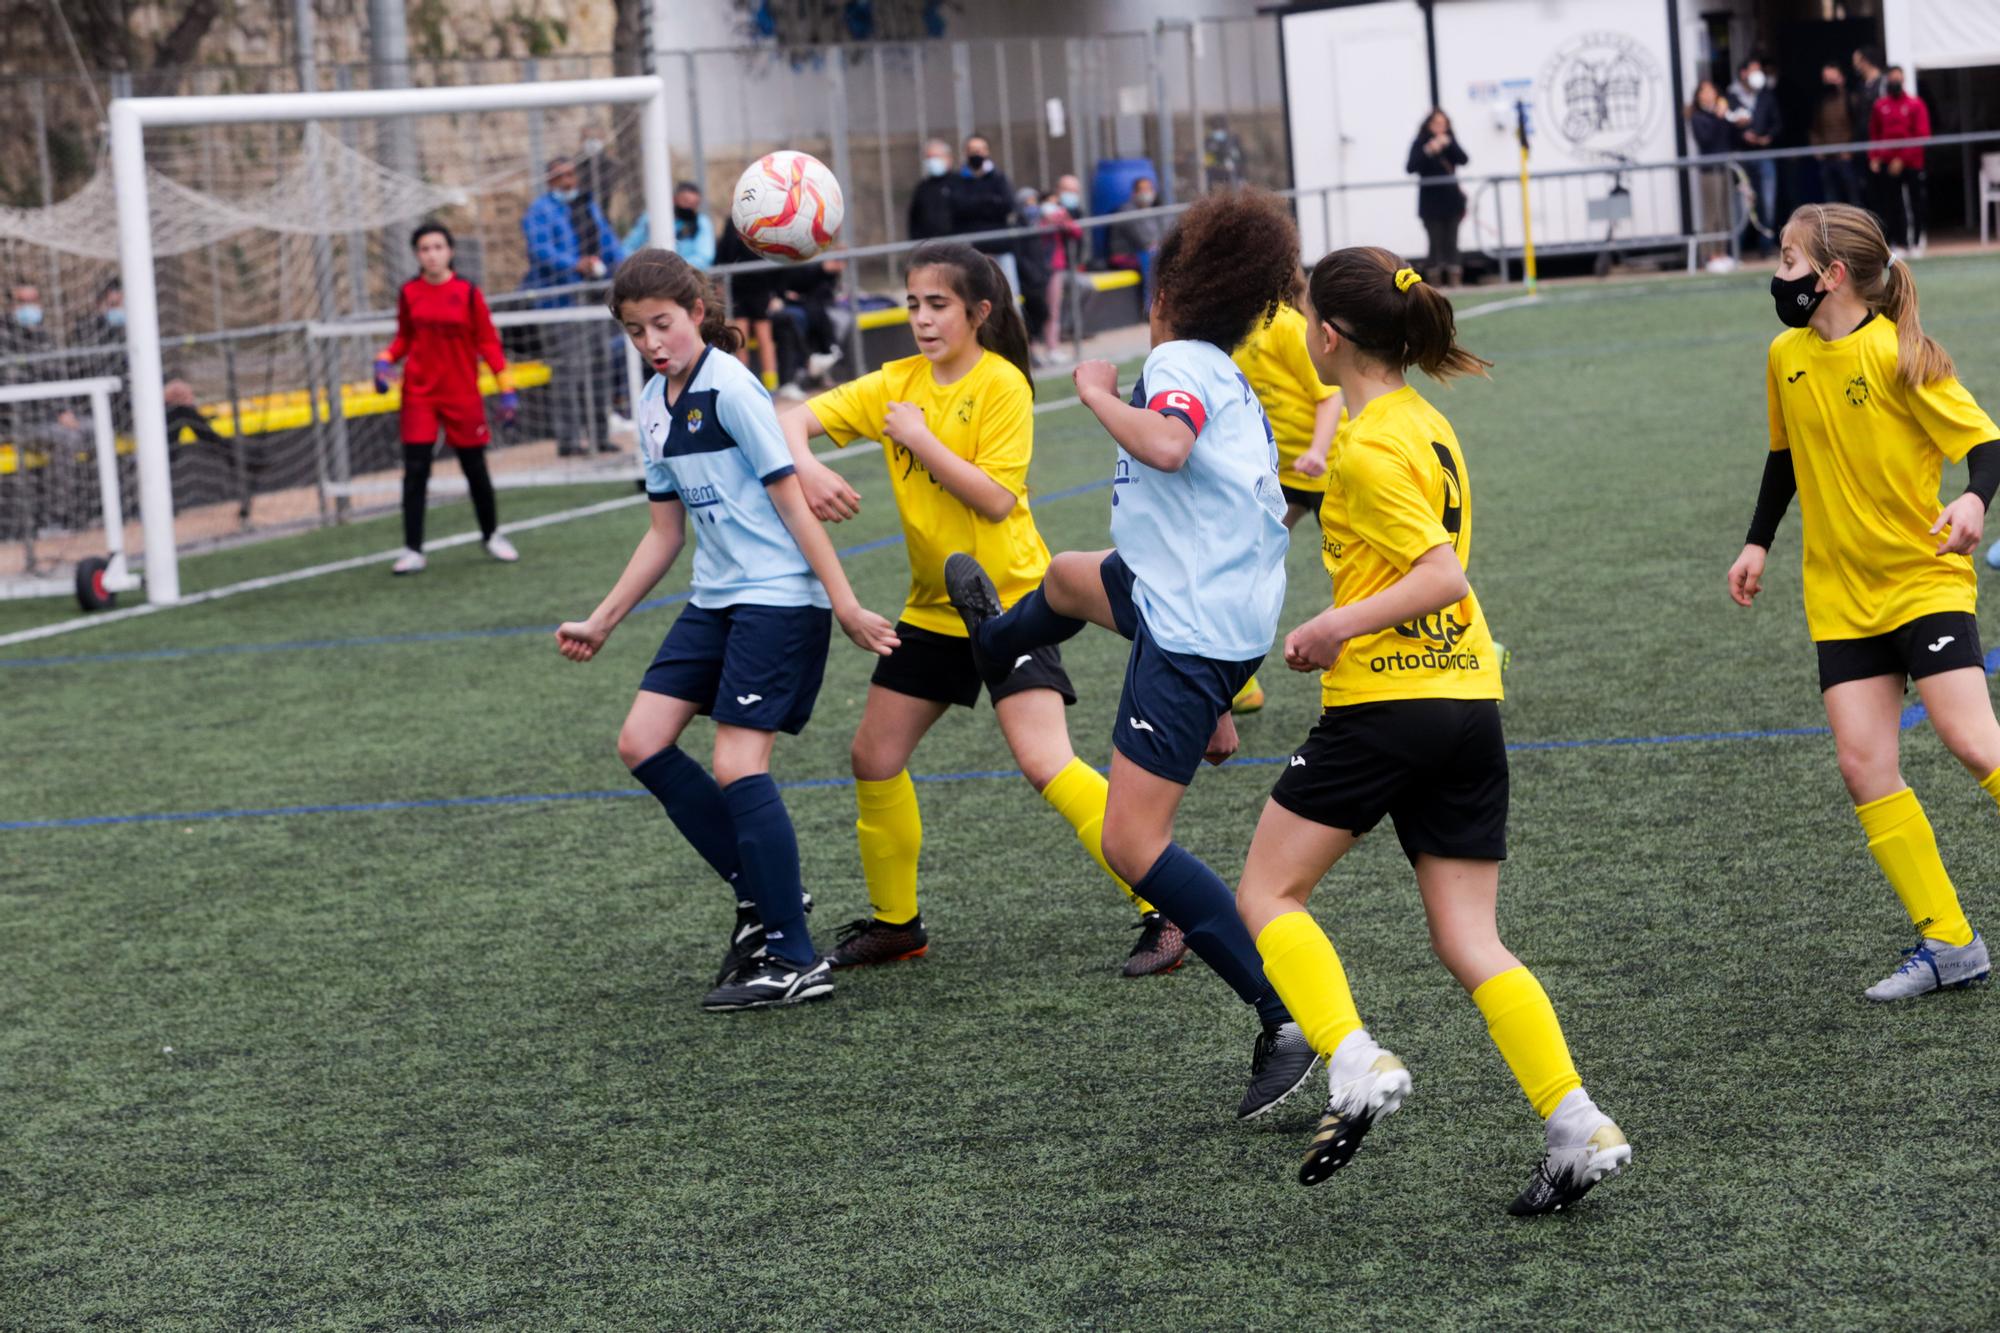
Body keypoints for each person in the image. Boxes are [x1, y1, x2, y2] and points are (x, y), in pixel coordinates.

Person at [1231, 249, 1629, 1214]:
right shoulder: (1425, 423)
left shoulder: (1366, 447)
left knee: (1267, 891)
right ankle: (1573, 1118)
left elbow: (1441, 571)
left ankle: (1354, 1057)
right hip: (1467, 707)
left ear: (1327, 335)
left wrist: (1332, 625)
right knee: (1470, 938)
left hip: (1388, 707)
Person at [942, 190, 1321, 1117]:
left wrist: (1096, 391)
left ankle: (1283, 1018)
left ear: (1166, 295)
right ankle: (998, 643)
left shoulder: (1177, 362)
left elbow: (1166, 443)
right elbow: (1222, 507)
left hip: (1191, 624)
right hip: (1197, 596)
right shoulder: (1222, 364)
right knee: (1071, 578)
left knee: (1131, 838)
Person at [779, 241, 1189, 979]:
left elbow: (995, 499)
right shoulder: (895, 381)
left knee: (1045, 762)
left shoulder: (1002, 385)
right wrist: (807, 463)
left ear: (979, 312)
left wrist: (917, 437)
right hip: (933, 609)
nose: (922, 319)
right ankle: (897, 923)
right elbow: (790, 422)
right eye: (911, 304)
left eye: (937, 305)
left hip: (1009, 603)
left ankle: (1164, 907)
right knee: (873, 755)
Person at [555, 248, 900, 1012]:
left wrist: (842, 601)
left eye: (664, 324)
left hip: (778, 597)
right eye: (637, 330)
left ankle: (794, 955)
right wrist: (602, 621)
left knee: (738, 762)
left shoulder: (732, 386)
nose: (652, 341)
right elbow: (663, 534)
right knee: (641, 741)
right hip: (715, 598)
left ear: (698, 313)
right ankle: (766, 891)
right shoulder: (652, 403)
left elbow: (792, 505)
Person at [1728, 202, 1999, 1002]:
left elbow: (1985, 444)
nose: (1775, 275)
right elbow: (1785, 456)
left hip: (1922, 578)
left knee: (1971, 739)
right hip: (1841, 595)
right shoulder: (1785, 355)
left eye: (1786, 260)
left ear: (1830, 275)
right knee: (1863, 763)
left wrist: (1977, 501)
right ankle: (1950, 940)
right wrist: (1757, 542)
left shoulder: (1899, 354)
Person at [1226, 274, 1345, 714]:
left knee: (1381, 571)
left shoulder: (1287, 326)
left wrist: (1317, 450)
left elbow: (1329, 395)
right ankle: (1239, 684)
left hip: (1331, 468)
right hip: (1285, 474)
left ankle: (1475, 645)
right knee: (1243, 560)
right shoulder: (1232, 329)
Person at [374, 222, 519, 575]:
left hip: (462, 394)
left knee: (475, 467)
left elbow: (487, 342)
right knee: (415, 471)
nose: (432, 254)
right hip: (420, 395)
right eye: (425, 249)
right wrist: (383, 361)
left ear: (450, 251)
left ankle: (491, 534)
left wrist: (507, 388)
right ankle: (413, 550)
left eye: (438, 247)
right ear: (417, 255)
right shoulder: (409, 292)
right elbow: (403, 340)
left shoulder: (469, 293)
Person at [522, 157, 626, 455]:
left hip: (593, 300)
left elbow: (607, 239)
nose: (569, 180)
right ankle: (568, 440)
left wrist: (620, 263)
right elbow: (540, 250)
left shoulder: (586, 204)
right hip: (560, 304)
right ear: (550, 179)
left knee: (600, 367)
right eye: (561, 175)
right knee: (568, 372)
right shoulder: (539, 211)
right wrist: (576, 264)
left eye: (571, 174)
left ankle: (599, 435)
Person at [714, 217, 786, 391]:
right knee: (740, 339)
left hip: (761, 290)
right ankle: (743, 385)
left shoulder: (765, 222)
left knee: (764, 338)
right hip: (738, 289)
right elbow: (724, 255)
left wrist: (776, 293)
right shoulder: (732, 224)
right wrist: (720, 284)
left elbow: (775, 259)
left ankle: (771, 384)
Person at [1869, 68, 1931, 253]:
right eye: (1892, 79)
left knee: (1916, 202)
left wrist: (1902, 159)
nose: (1895, 82)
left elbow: (1922, 135)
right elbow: (1875, 133)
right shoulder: (1880, 106)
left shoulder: (1915, 104)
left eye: (1898, 78)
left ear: (1903, 80)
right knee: (1892, 203)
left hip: (1912, 162)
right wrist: (1874, 156)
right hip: (1888, 164)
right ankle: (1901, 242)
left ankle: (1918, 240)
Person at [948, 134, 1020, 294]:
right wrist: (990, 201)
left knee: (1010, 295)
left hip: (1000, 247)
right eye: (972, 150)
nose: (976, 154)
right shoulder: (957, 181)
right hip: (972, 251)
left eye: (980, 150)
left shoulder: (999, 178)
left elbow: (1008, 206)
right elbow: (959, 208)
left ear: (987, 152)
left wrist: (976, 204)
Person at [1406, 108, 1469, 285]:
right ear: (1428, 125)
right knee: (1435, 242)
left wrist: (1449, 144)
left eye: (1444, 124)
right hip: (1430, 202)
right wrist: (1429, 150)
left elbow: (1464, 159)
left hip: (1452, 200)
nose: (1440, 127)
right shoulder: (1420, 143)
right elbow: (1411, 167)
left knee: (1452, 241)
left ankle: (1455, 278)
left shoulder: (1450, 141)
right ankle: (1434, 281)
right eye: (1436, 123)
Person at [1729, 58, 1782, 254]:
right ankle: (1738, 248)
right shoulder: (1731, 97)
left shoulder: (1767, 97)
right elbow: (1725, 126)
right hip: (1741, 157)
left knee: (1767, 201)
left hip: (1763, 155)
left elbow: (1777, 123)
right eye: (1754, 70)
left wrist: (1767, 137)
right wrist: (1741, 133)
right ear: (1743, 73)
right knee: (1741, 204)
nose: (1758, 73)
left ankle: (1766, 246)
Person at [1688, 81, 1738, 260]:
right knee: (1712, 213)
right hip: (1709, 170)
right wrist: (1718, 117)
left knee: (1725, 212)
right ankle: (1710, 254)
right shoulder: (1697, 117)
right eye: (1705, 91)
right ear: (1699, 95)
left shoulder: (1722, 113)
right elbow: (1706, 139)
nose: (1709, 95)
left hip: (1725, 167)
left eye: (1712, 91)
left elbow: (1730, 136)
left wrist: (1731, 118)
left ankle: (1723, 252)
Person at [1037, 177, 1085, 361]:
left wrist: (1063, 219)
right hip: (1034, 267)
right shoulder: (1039, 212)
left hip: (1056, 266)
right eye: (1066, 189)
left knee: (1053, 309)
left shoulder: (1069, 212)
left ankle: (1052, 348)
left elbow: (1077, 232)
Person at [621, 181, 717, 269]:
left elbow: (704, 257)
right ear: (674, 199)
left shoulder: (701, 223)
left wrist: (673, 268)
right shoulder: (652, 218)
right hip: (649, 272)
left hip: (686, 274)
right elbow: (628, 247)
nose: (689, 207)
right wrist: (644, 265)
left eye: (694, 204)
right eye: (685, 201)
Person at [1106, 177, 1165, 308]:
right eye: (1143, 189)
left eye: (1149, 189)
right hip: (1126, 255)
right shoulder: (1126, 210)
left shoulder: (1152, 209)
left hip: (1146, 251)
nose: (1147, 192)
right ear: (1134, 193)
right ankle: (1150, 306)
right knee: (1152, 256)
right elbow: (1141, 240)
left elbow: (1162, 234)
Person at [1809, 64, 1862, 206]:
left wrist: (1851, 149)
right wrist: (1817, 148)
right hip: (1827, 158)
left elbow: (1859, 127)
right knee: (1831, 200)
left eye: (1834, 78)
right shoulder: (1821, 102)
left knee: (1854, 198)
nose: (1830, 83)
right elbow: (1815, 128)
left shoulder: (1851, 99)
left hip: (1846, 158)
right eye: (1827, 79)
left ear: (1842, 79)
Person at [907, 139, 958, 242]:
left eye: (936, 157)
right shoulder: (922, 188)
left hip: (956, 245)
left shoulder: (959, 183)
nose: (932, 161)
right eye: (929, 157)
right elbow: (914, 218)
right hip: (929, 246)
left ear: (948, 158)